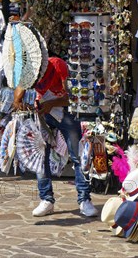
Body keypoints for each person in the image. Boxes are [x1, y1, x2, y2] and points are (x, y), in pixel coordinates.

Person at [13, 56, 98, 217]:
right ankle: (46, 199)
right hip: (44, 113)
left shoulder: (58, 66)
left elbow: (73, 97)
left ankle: (84, 200)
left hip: (66, 113)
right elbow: (19, 90)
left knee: (78, 155)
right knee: (40, 156)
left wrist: (52, 104)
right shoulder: (29, 72)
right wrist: (18, 100)